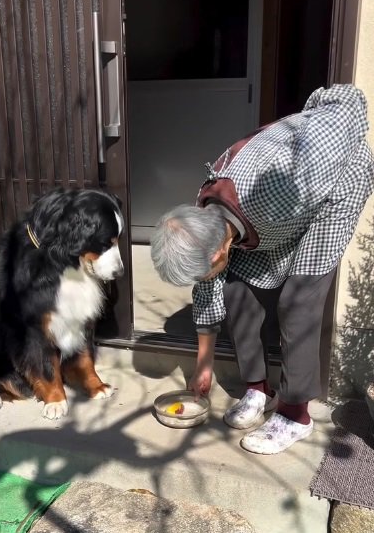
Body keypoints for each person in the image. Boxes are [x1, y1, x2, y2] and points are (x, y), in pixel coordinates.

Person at [151, 84, 374, 454]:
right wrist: (203, 365)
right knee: (236, 289)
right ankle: (258, 389)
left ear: (217, 251)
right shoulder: (206, 212)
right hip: (271, 215)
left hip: (338, 187)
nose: (203, 279)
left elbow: (341, 119)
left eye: (203, 271)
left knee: (297, 302)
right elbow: (209, 288)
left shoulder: (281, 186)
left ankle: (294, 415)